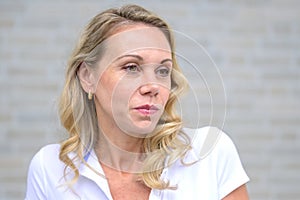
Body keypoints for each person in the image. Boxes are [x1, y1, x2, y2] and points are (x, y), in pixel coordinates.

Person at [25, 4, 249, 200]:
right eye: (131, 67)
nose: (152, 86)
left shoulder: (209, 153)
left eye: (162, 70)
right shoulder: (50, 168)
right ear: (87, 76)